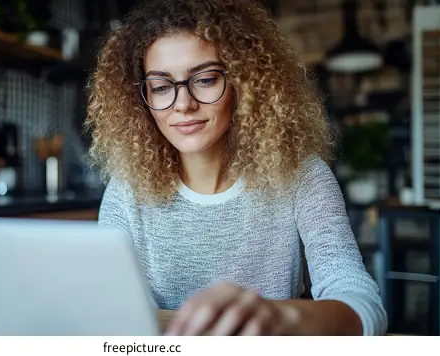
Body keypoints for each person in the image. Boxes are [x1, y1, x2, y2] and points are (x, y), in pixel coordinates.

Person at [84, 0, 387, 336]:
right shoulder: (127, 189)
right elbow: (113, 311)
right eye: (161, 86)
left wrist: (282, 316)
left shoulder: (302, 175)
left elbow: (359, 299)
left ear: (245, 84)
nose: (183, 104)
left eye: (206, 79)